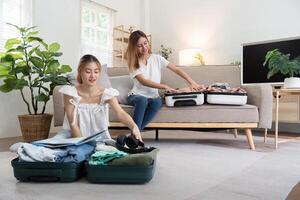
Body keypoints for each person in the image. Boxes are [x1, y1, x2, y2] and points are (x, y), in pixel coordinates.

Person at [125, 30, 205, 131]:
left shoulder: (157, 58)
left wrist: (191, 82)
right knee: (142, 100)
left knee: (157, 102)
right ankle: (135, 136)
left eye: (145, 43)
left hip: (153, 96)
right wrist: (164, 86)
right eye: (139, 46)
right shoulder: (133, 63)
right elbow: (143, 81)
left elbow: (176, 69)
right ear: (134, 47)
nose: (144, 47)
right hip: (136, 95)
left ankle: (135, 134)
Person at [57, 54, 142, 141]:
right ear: (80, 71)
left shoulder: (107, 94)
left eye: (96, 72)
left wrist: (134, 127)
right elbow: (73, 124)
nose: (92, 76)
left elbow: (121, 113)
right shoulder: (70, 93)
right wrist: (81, 144)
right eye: (88, 71)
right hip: (73, 138)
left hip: (100, 139)